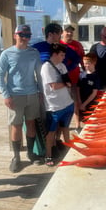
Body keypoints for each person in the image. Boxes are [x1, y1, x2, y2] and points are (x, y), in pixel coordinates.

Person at [0, 24, 43, 173]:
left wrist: (41, 91)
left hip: (32, 94)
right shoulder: (6, 54)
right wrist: (6, 95)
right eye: (22, 35)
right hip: (15, 95)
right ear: (15, 35)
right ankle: (16, 157)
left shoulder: (34, 53)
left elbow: (39, 74)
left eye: (27, 36)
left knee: (31, 124)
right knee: (16, 126)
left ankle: (31, 153)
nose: (25, 38)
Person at [32, 22, 80, 151]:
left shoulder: (62, 47)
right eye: (59, 33)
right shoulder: (37, 47)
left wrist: (65, 71)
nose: (61, 36)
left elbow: (76, 59)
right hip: (44, 88)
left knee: (60, 116)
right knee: (47, 118)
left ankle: (57, 142)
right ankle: (48, 146)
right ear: (51, 34)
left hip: (60, 87)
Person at [41, 43, 74, 166]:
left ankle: (68, 150)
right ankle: (48, 156)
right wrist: (66, 84)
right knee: (51, 132)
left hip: (67, 103)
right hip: (54, 106)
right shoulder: (46, 67)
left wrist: (67, 84)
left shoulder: (62, 65)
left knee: (65, 129)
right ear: (54, 54)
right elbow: (54, 86)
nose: (63, 57)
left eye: (64, 55)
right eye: (61, 55)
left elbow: (68, 80)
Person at [60, 25, 85, 131]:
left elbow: (82, 59)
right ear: (62, 32)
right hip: (61, 80)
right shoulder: (58, 45)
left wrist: (85, 70)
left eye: (71, 32)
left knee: (75, 101)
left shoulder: (77, 45)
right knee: (62, 103)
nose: (69, 34)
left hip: (74, 78)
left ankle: (77, 124)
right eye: (67, 31)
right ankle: (62, 126)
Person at [76, 52, 100, 129]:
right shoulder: (81, 74)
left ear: (94, 63)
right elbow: (77, 88)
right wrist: (79, 102)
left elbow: (94, 93)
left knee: (90, 121)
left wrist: (85, 104)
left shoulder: (96, 76)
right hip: (81, 101)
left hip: (90, 102)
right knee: (82, 120)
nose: (85, 65)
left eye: (88, 63)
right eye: (84, 63)